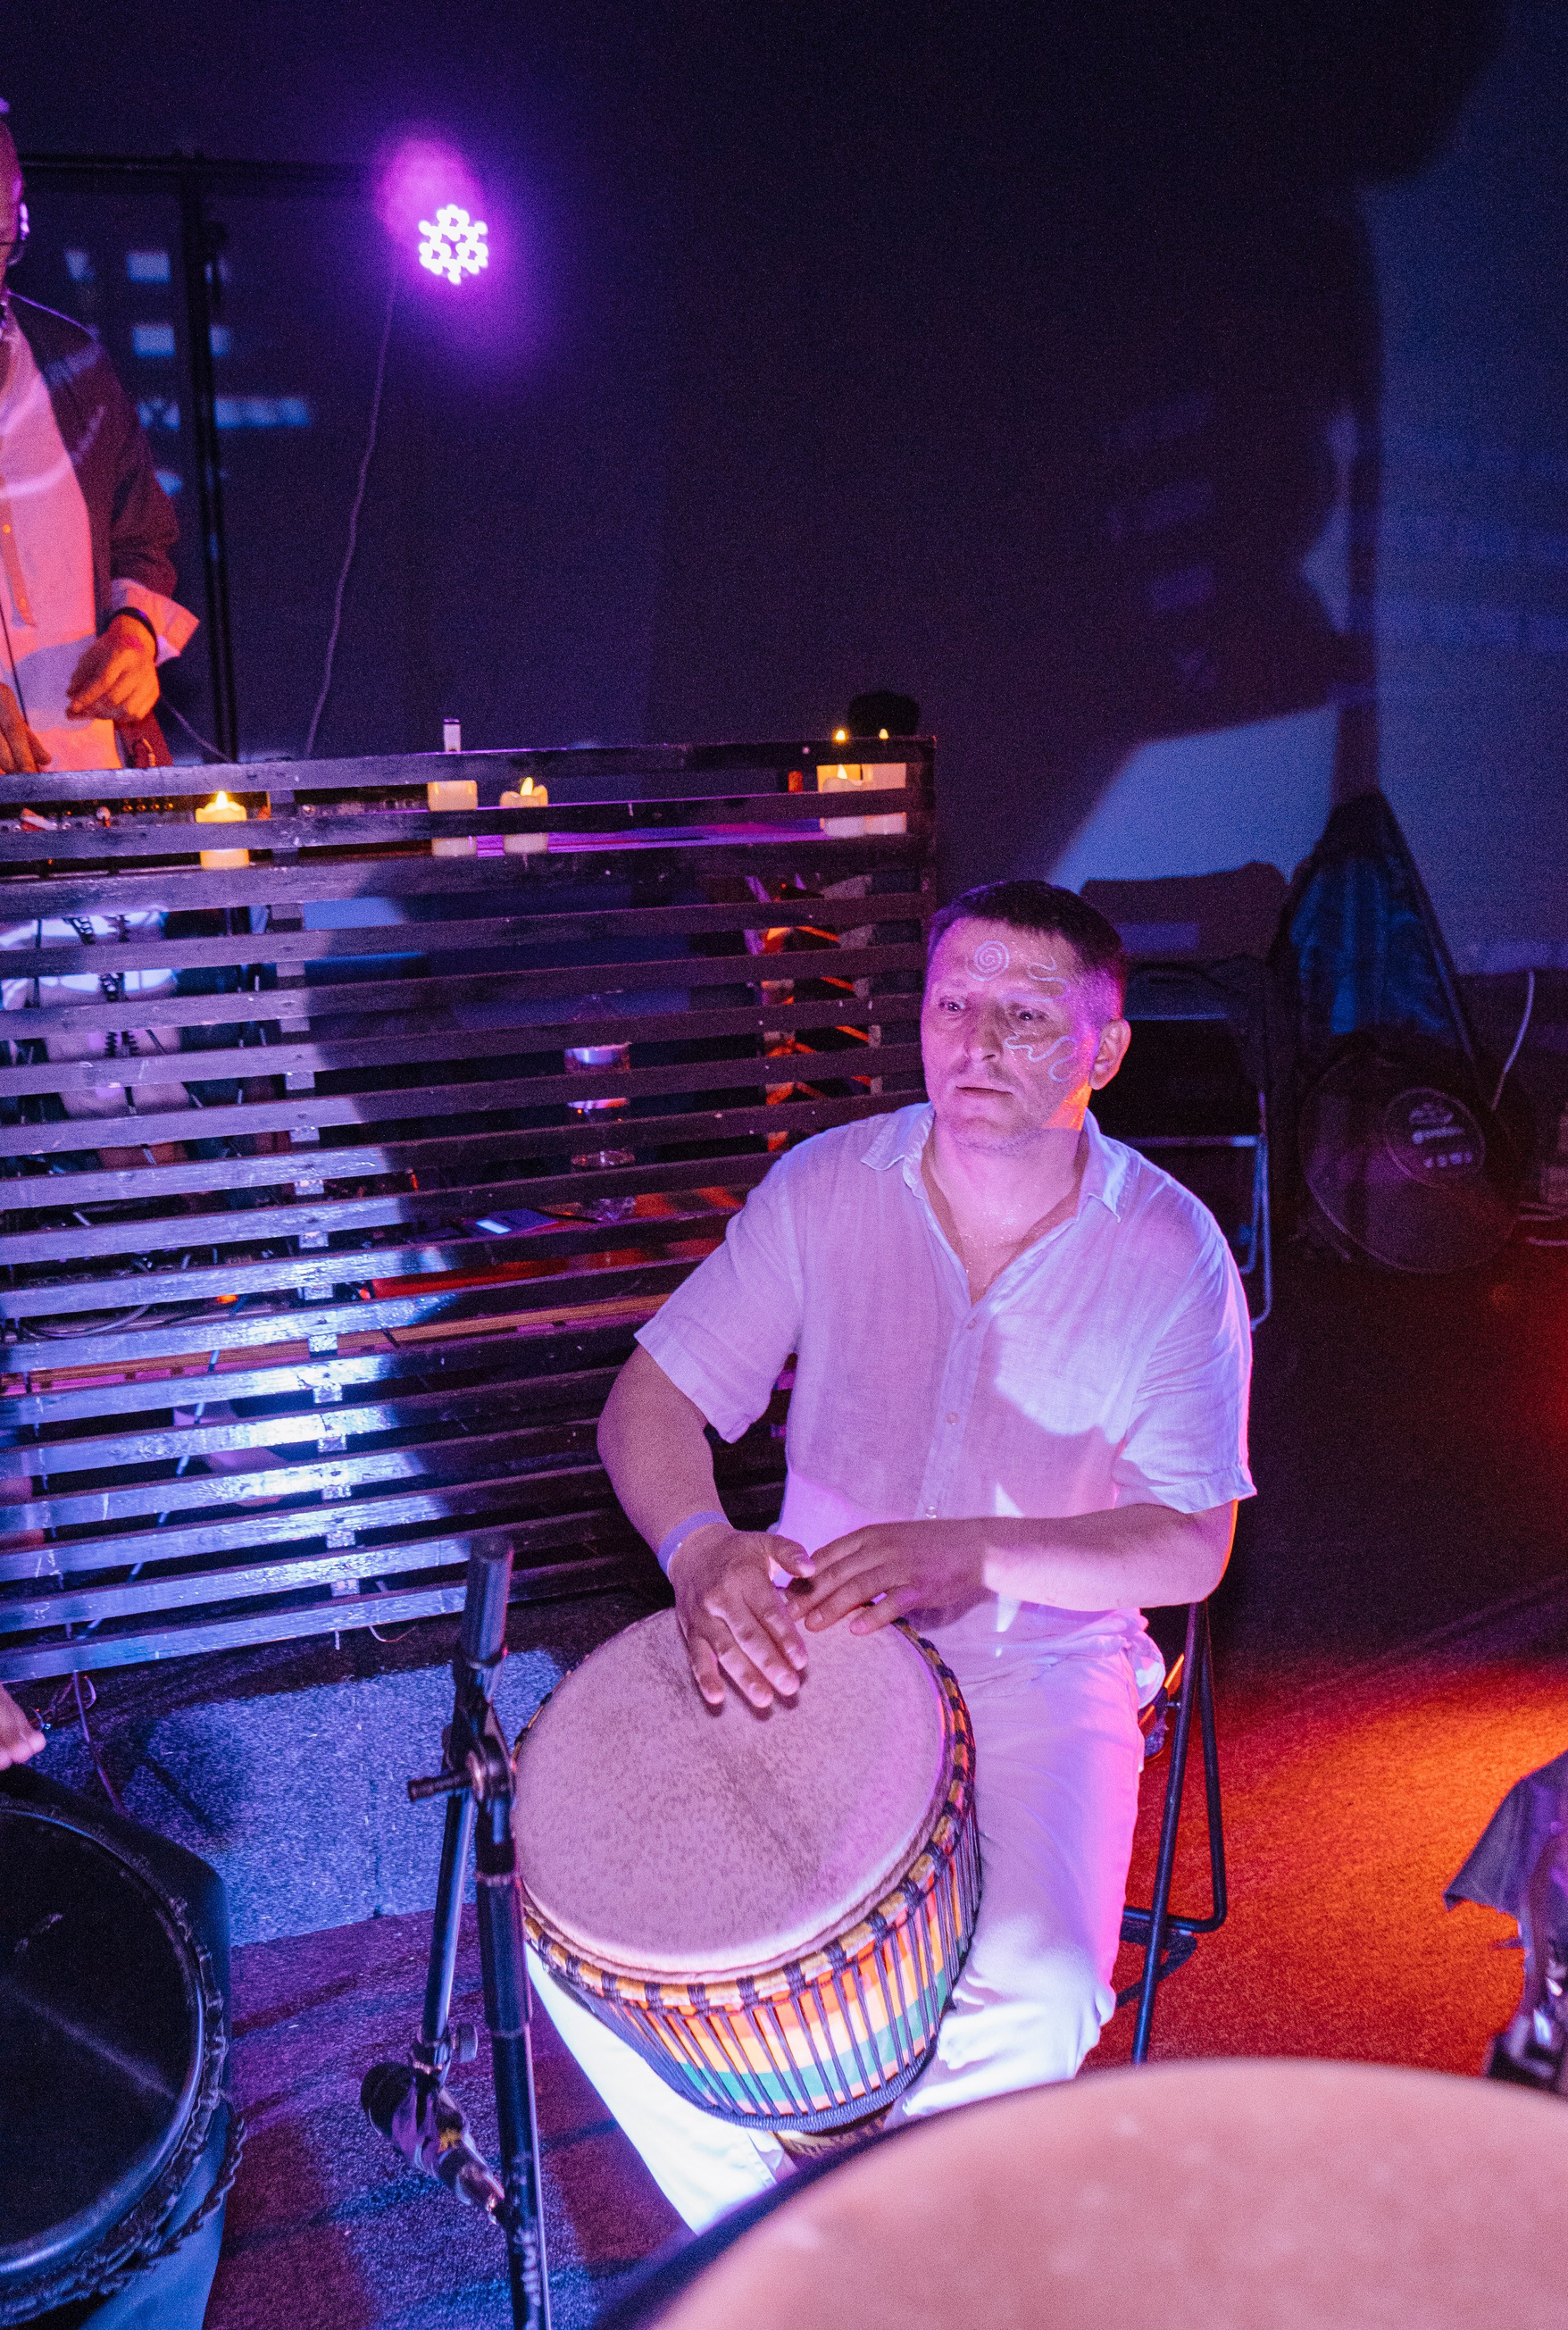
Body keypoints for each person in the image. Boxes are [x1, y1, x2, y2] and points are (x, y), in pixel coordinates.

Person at [530, 879, 1255, 2230]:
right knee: (587, 1943)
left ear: (1103, 1051)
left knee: (1041, 1992)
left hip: (1039, 1667)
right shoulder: (829, 1187)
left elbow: (1190, 1543)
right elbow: (650, 1403)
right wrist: (699, 1549)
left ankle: (874, 2245)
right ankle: (774, 2245)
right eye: (952, 1004)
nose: (975, 1043)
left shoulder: (1170, 1252)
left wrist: (977, 1552)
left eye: (1024, 1016)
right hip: (815, 1639)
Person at [0, 113, 197, 776]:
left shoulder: (75, 364)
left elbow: (142, 541)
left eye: (3, 238)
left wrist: (133, 634)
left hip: (96, 782)